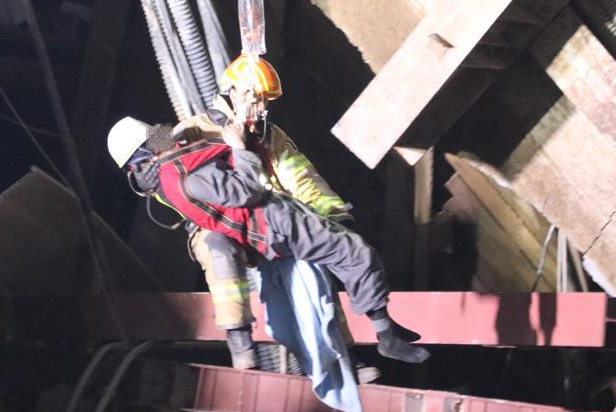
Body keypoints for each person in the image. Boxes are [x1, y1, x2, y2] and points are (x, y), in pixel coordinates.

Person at [107, 95, 430, 366]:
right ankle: (242, 340)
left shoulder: (257, 135)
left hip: (261, 211)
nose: (259, 111)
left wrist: (333, 215)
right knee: (224, 255)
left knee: (327, 266)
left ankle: (356, 349)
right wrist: (237, 147)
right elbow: (207, 174)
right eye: (254, 104)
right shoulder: (188, 148)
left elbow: (301, 177)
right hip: (242, 220)